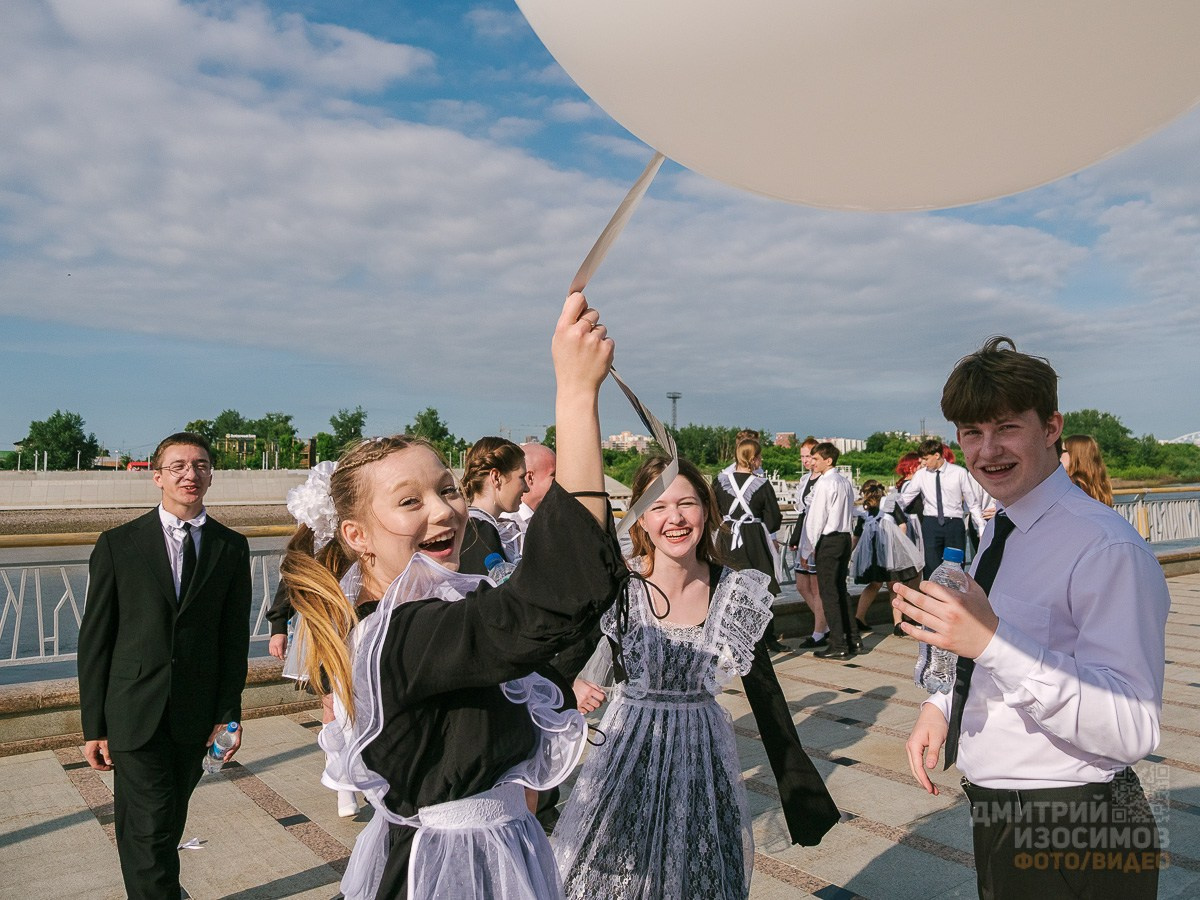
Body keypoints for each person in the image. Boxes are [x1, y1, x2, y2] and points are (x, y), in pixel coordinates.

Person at [281, 293, 624, 900]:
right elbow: (542, 606)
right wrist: (575, 395)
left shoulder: (433, 619)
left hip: (494, 853)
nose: (445, 511)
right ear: (356, 535)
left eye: (446, 489)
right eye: (410, 501)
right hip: (447, 872)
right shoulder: (396, 636)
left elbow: (550, 632)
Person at [897, 336, 1168, 899]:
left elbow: (1132, 728)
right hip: (1003, 815)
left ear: (1051, 428)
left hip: (1075, 825)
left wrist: (993, 642)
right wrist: (940, 703)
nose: (987, 450)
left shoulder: (1104, 547)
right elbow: (979, 649)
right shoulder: (1003, 526)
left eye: (1007, 427)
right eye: (972, 433)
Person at [553, 457, 838, 899]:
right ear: (641, 519)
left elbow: (767, 696)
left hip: (704, 754)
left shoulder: (735, 591)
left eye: (687, 503)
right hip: (629, 751)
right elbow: (561, 656)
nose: (675, 518)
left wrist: (800, 792)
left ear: (706, 511)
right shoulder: (620, 587)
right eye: (659, 506)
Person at [78, 432, 252, 900]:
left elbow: (233, 641)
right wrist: (93, 725)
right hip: (133, 709)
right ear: (157, 476)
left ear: (211, 474)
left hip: (196, 716)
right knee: (151, 826)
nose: (189, 474)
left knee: (161, 823)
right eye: (177, 466)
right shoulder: (119, 544)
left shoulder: (231, 547)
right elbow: (95, 639)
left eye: (199, 465)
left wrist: (228, 716)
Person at [713, 435, 787, 652]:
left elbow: (712, 510)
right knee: (761, 587)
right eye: (760, 456)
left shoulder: (720, 481)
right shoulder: (762, 484)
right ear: (753, 459)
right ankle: (765, 638)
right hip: (753, 538)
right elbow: (773, 519)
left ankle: (728, 639)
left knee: (728, 587)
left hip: (727, 537)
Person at [799, 442, 859, 660]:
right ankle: (853, 638)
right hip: (844, 537)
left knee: (828, 593)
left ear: (828, 461)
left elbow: (816, 518)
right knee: (840, 589)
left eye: (816, 459)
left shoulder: (825, 483)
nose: (812, 463)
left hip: (830, 539)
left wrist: (807, 549)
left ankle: (838, 643)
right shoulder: (844, 481)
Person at [897, 437, 986, 577]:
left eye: (926, 459)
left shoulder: (959, 473)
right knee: (931, 567)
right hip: (931, 524)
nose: (923, 463)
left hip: (954, 524)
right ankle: (933, 597)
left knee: (955, 568)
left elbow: (972, 502)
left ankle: (954, 597)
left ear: (937, 455)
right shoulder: (921, 475)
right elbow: (905, 499)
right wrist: (889, 512)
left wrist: (981, 527)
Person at [851, 479, 922, 635]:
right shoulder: (889, 503)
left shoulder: (865, 509)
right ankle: (897, 622)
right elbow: (902, 523)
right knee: (894, 585)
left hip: (872, 554)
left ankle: (859, 617)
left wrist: (850, 552)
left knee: (874, 584)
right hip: (889, 551)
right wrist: (901, 546)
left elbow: (857, 534)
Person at [459, 436, 528, 573]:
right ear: (496, 477)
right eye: (521, 477)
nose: (527, 488)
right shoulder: (479, 531)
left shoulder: (475, 526)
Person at [787, 436, 829, 647]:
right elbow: (801, 511)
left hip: (816, 534)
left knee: (816, 585)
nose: (805, 460)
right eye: (802, 456)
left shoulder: (824, 480)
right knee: (802, 584)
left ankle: (819, 631)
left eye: (809, 456)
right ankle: (827, 624)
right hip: (803, 533)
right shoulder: (805, 480)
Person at [502, 442, 558, 537]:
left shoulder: (550, 519)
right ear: (530, 478)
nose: (558, 481)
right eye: (553, 474)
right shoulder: (507, 526)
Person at [1062, 433, 1114, 506]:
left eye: (1063, 451)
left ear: (1075, 455)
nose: (1059, 454)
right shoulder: (1099, 486)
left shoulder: (1069, 485)